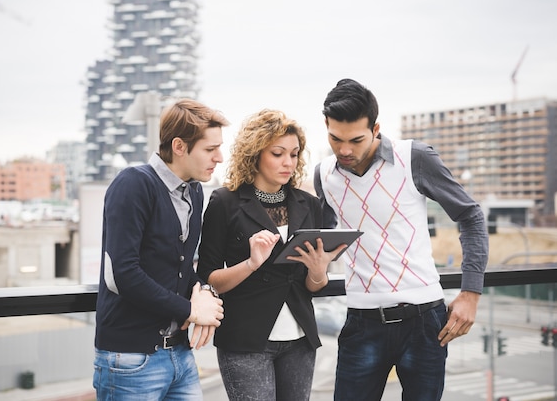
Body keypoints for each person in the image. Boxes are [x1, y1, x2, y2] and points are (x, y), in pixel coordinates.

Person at [314, 78, 489, 401]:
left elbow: (471, 216)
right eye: (335, 138)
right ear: (326, 125)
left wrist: (470, 293)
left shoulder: (415, 158)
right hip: (360, 322)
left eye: (355, 139)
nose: (345, 150)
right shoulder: (324, 174)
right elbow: (326, 245)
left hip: (424, 322)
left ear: (376, 128)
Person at [197, 109, 347, 401]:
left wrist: (319, 270)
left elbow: (313, 285)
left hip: (300, 340)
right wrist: (252, 263)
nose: (288, 162)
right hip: (246, 341)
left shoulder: (309, 205)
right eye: (278, 153)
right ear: (255, 154)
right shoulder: (224, 202)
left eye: (294, 154)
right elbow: (210, 278)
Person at [93, 98, 228, 401]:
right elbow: (122, 275)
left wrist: (203, 291)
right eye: (210, 149)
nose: (219, 157)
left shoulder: (194, 190)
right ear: (179, 146)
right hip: (131, 359)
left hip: (179, 354)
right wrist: (192, 310)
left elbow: (180, 268)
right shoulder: (133, 184)